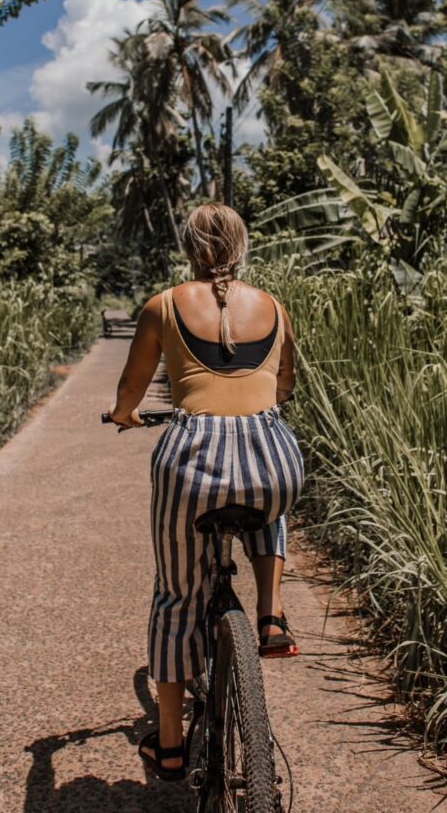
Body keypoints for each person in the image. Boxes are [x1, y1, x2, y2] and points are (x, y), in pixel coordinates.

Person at [106, 203, 305, 781]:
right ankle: (270, 617)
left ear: (189, 247)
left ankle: (169, 746)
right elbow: (286, 382)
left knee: (176, 597)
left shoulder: (163, 306)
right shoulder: (274, 307)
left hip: (191, 461)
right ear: (242, 247)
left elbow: (131, 389)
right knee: (271, 496)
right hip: (272, 453)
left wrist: (126, 415)